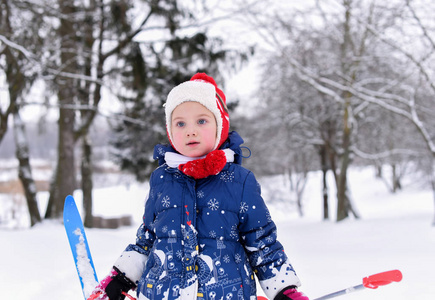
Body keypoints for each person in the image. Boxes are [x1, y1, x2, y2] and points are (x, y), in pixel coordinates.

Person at [89, 73, 309, 300]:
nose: (190, 130)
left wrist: (285, 290)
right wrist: (119, 278)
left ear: (219, 126)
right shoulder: (161, 180)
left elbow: (262, 245)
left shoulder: (240, 182)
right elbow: (147, 239)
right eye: (180, 123)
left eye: (201, 121)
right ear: (170, 130)